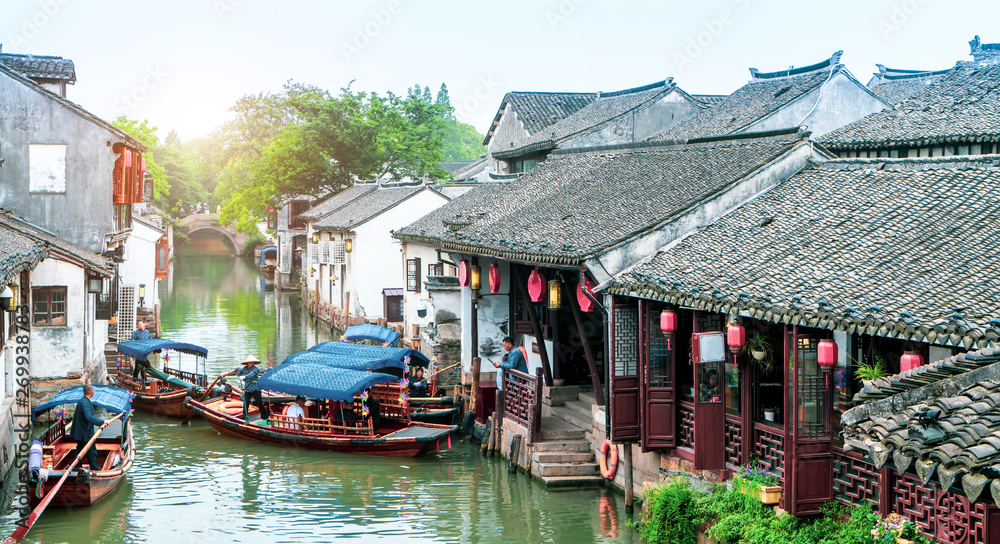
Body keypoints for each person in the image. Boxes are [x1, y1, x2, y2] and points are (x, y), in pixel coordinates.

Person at [225, 355, 271, 425]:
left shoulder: (255, 369)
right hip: (247, 389)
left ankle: (265, 417)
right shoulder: (245, 368)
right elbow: (238, 372)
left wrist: (244, 377)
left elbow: (251, 375)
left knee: (260, 404)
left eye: (252, 362)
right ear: (248, 363)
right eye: (250, 362)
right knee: (245, 404)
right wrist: (230, 373)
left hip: (255, 389)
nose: (251, 364)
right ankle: (245, 418)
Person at [70, 384, 105, 472]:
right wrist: (102, 422)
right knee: (91, 452)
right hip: (85, 433)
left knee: (80, 450)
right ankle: (95, 470)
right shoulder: (85, 402)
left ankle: (76, 468)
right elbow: (88, 417)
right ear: (92, 392)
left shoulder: (83, 401)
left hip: (81, 433)